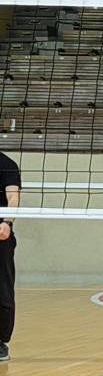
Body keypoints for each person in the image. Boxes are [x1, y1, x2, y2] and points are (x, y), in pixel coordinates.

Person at [0, 148, 20, 362]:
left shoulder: (7, 164)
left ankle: (1, 341)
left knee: (2, 288)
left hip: (0, 235)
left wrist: (7, 222)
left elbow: (13, 196)